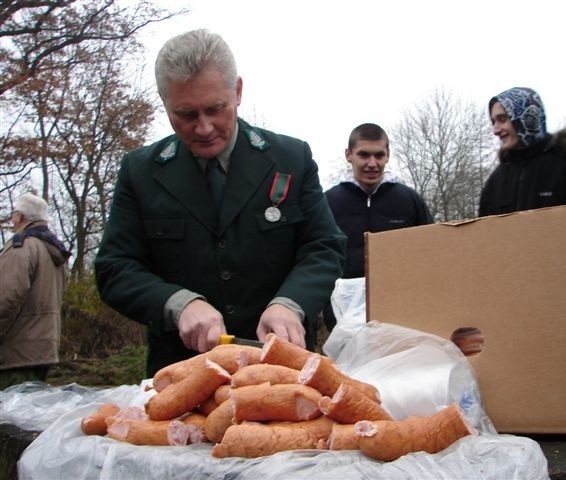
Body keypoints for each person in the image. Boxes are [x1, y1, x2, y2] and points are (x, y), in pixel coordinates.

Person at [93, 29, 346, 377]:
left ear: (238, 91)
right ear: (164, 101)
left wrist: (290, 304)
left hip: (281, 369)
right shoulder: (140, 172)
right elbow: (114, 268)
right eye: (185, 114)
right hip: (182, 375)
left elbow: (324, 247)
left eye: (215, 108)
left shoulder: (291, 159)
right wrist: (178, 304)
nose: (204, 127)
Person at [323, 123, 434, 330]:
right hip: (343, 321)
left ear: (388, 155)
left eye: (379, 155)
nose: (372, 163)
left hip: (402, 317)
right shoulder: (328, 202)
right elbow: (317, 257)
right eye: (363, 155)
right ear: (349, 155)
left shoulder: (409, 200)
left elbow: (431, 255)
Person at [479, 87, 566, 217]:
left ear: (526, 117)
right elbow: (485, 234)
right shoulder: (498, 179)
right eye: (493, 122)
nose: (495, 130)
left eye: (502, 119)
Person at [0, 193, 70, 389]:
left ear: (19, 217)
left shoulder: (21, 246)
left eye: (14, 213)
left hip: (16, 351)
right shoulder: (55, 251)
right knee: (31, 415)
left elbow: (5, 298)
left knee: (9, 417)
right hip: (43, 348)